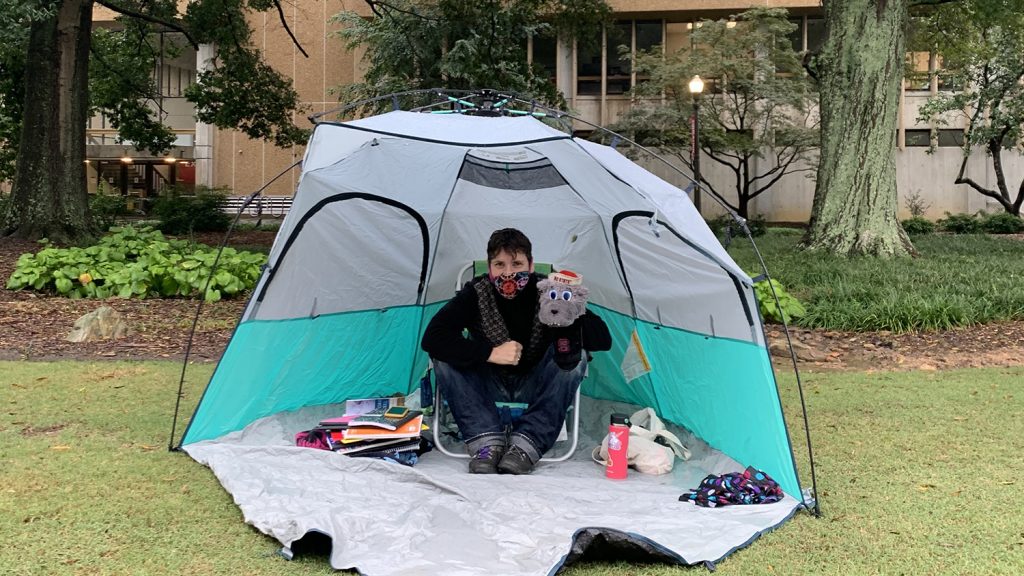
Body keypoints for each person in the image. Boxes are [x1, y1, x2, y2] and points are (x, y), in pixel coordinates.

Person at [421, 228, 611, 474]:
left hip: (537, 384)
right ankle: (487, 442)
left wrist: (572, 310)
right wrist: (490, 352)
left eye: (517, 263)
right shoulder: (476, 293)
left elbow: (603, 341)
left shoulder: (548, 291)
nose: (508, 272)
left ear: (530, 266)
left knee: (574, 356)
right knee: (444, 355)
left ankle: (525, 445)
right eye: (499, 264)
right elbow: (432, 337)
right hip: (486, 383)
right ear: (490, 268)